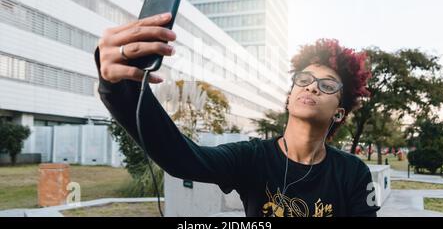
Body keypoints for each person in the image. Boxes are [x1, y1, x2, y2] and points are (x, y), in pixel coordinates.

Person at [95, 13, 380, 217]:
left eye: (328, 85)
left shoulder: (353, 173)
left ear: (339, 112)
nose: (313, 87)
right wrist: (119, 89)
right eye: (304, 79)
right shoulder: (252, 158)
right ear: (290, 96)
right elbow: (182, 159)